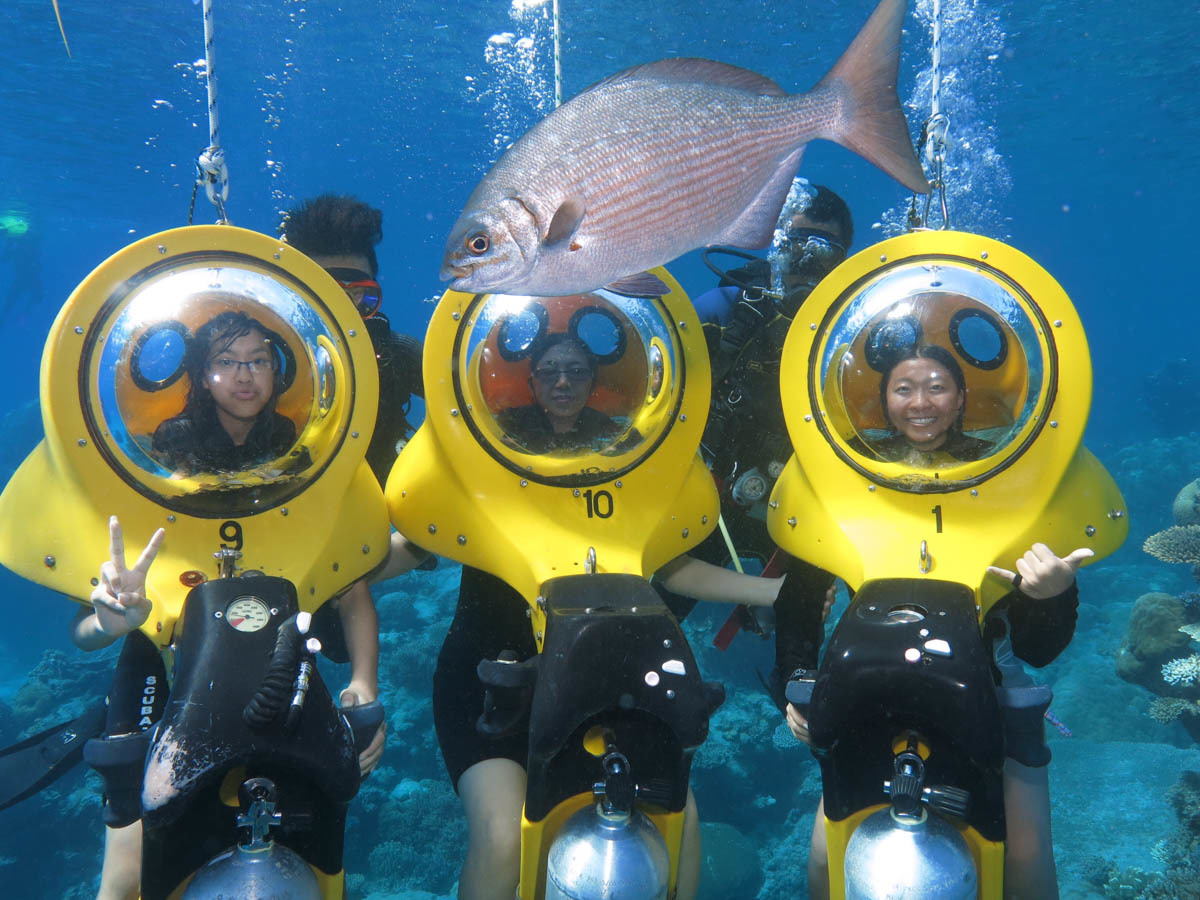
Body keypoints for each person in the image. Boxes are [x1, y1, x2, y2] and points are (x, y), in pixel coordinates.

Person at [789, 543, 1092, 900]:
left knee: (1027, 858)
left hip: (993, 697)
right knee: (825, 855)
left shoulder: (1017, 522)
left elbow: (1037, 650)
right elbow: (801, 597)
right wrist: (794, 680)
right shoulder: (849, 513)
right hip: (869, 695)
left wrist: (1053, 596)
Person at [656, 180, 853, 705]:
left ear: (844, 261)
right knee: (648, 616)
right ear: (775, 244)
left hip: (804, 508)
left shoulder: (856, 332)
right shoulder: (724, 311)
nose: (807, 262)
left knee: (810, 627)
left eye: (824, 251)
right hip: (712, 496)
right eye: (797, 244)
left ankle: (805, 702)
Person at [279, 193, 424, 487]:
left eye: (361, 297)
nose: (345, 313)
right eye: (329, 296)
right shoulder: (266, 362)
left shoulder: (397, 354)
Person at [152, 310, 297, 474]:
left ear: (274, 372)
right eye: (226, 362)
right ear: (203, 377)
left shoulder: (282, 432)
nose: (244, 377)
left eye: (258, 361)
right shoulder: (177, 437)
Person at [861, 344, 992, 465]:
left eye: (936, 387)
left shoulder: (991, 455)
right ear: (886, 399)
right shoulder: (863, 456)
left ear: (959, 398)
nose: (920, 404)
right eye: (904, 389)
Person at [497, 333, 625, 454]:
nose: (563, 383)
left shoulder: (609, 431)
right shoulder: (507, 425)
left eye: (576, 371)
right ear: (531, 385)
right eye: (548, 372)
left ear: (592, 385)